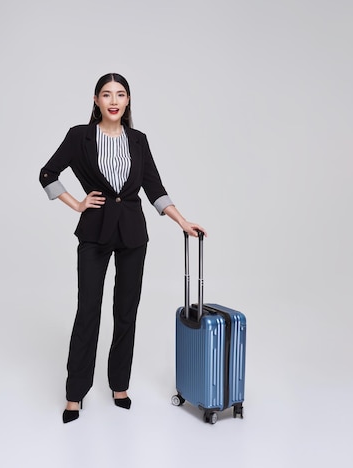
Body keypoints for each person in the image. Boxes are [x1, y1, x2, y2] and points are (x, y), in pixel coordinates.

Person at [39, 73, 206, 423]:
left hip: (132, 235)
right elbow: (48, 174)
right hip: (94, 232)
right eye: (106, 94)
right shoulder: (79, 136)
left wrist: (182, 221)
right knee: (88, 311)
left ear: (128, 101)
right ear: (96, 100)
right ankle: (75, 394)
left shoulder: (139, 140)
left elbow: (154, 187)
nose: (113, 100)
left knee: (125, 311)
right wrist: (77, 203)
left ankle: (119, 385)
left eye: (120, 94)